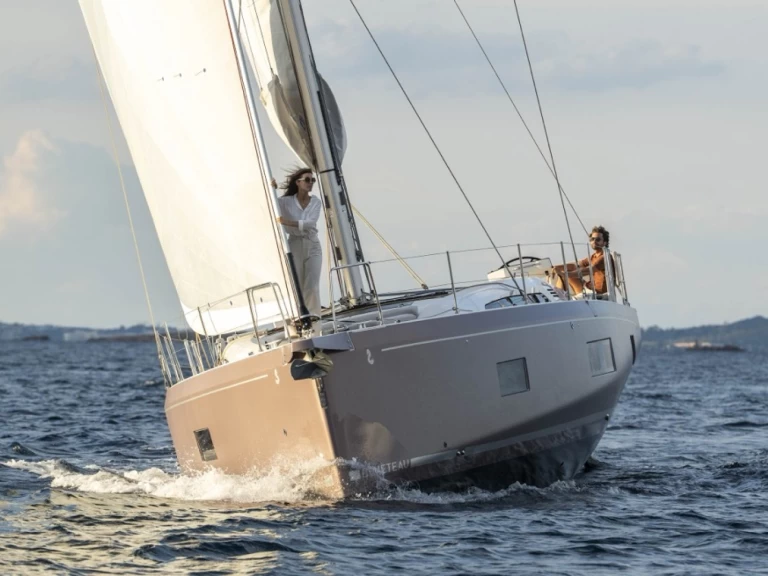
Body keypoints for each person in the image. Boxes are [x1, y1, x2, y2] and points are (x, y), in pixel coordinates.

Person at [274, 168, 323, 318]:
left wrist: (286, 222)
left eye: (312, 180)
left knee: (312, 286)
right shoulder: (286, 202)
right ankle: (299, 317)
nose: (310, 183)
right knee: (297, 286)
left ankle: (315, 320)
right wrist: (272, 188)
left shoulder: (315, 202)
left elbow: (310, 223)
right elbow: (271, 203)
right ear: (298, 182)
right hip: (294, 244)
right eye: (307, 180)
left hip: (312, 243)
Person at [553, 226, 610, 296]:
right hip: (589, 288)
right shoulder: (594, 256)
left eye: (598, 239)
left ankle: (559, 296)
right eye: (592, 239)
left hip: (597, 293)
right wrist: (555, 268)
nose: (594, 242)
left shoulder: (604, 257)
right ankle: (559, 296)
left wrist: (564, 274)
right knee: (567, 271)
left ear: (605, 243)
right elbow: (575, 265)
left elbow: (588, 270)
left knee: (566, 274)